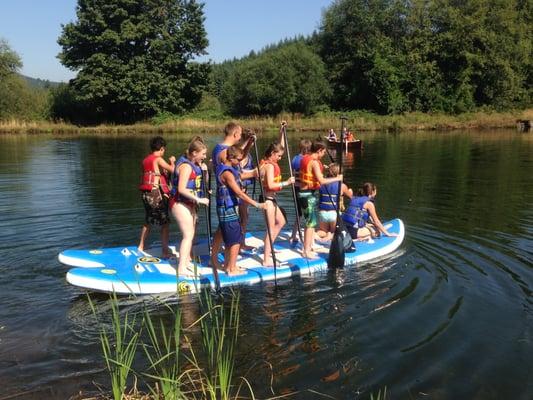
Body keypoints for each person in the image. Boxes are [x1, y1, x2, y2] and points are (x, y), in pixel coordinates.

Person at [214, 145, 266, 275]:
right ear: (231, 158)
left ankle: (228, 265)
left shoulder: (226, 168)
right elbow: (239, 194)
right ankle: (231, 269)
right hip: (227, 209)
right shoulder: (227, 173)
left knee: (230, 237)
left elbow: (239, 180)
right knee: (235, 240)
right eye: (238, 159)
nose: (239, 162)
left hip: (229, 208)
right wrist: (258, 204)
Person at [210, 122, 255, 266]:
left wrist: (248, 143)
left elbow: (238, 156)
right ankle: (229, 264)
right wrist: (254, 173)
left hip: (228, 195)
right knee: (231, 228)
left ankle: (216, 258)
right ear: (235, 134)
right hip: (227, 195)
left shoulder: (223, 148)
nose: (241, 136)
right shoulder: (224, 151)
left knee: (222, 228)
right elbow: (236, 163)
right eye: (240, 134)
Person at [169, 136, 209, 277]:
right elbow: (181, 189)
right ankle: (181, 269)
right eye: (202, 154)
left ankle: (185, 262)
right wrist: (199, 199)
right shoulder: (186, 166)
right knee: (188, 235)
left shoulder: (196, 165)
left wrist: (205, 171)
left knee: (190, 233)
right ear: (194, 153)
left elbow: (202, 182)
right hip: (179, 203)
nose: (204, 156)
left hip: (188, 203)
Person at [298, 140, 343, 259]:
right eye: (323, 152)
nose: (323, 155)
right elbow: (322, 181)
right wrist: (337, 178)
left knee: (311, 222)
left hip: (303, 193)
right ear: (319, 151)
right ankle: (306, 251)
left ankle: (308, 247)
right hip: (307, 195)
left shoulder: (305, 158)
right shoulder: (314, 162)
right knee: (311, 223)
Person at [138, 136, 176, 258]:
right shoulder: (158, 159)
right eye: (164, 149)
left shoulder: (145, 160)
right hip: (155, 194)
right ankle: (165, 251)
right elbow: (173, 170)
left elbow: (153, 174)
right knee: (165, 223)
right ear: (161, 148)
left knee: (148, 220)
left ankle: (141, 245)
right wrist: (172, 162)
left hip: (145, 194)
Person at [259, 142, 295, 266]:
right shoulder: (269, 167)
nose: (280, 158)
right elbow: (270, 185)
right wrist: (287, 183)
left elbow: (278, 145)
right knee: (270, 228)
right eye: (279, 156)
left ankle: (268, 246)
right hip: (267, 200)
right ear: (273, 153)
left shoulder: (266, 163)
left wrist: (281, 131)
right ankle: (265, 260)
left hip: (270, 199)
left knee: (281, 221)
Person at [316, 163, 353, 240]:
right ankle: (330, 236)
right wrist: (350, 191)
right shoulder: (342, 186)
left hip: (322, 213)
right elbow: (351, 197)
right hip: (334, 214)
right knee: (336, 232)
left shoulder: (321, 183)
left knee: (323, 231)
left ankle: (314, 235)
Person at [289, 138, 312, 245]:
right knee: (309, 215)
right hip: (304, 189)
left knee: (299, 213)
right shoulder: (308, 160)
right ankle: (310, 242)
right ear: (308, 149)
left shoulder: (294, 159)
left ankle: (293, 235)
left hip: (295, 187)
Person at [238, 128, 257, 251]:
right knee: (243, 217)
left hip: (244, 189)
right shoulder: (242, 154)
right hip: (239, 190)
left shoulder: (244, 153)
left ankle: (241, 242)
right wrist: (254, 172)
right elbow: (239, 172)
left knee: (244, 217)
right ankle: (239, 244)